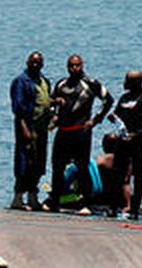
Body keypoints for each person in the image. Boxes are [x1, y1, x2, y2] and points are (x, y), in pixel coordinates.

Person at [44, 54, 113, 211]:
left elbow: (108, 100)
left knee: (82, 167)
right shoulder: (61, 84)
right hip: (63, 131)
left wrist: (96, 120)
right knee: (57, 166)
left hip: (81, 132)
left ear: (82, 66)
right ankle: (55, 200)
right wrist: (53, 114)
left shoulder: (90, 83)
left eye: (77, 65)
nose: (74, 68)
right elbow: (51, 101)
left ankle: (86, 203)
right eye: (71, 66)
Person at [109, 70, 142, 218]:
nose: (124, 83)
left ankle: (135, 209)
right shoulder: (124, 98)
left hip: (138, 142)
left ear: (137, 83)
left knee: (137, 174)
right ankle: (114, 207)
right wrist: (113, 117)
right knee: (117, 173)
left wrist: (137, 135)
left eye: (128, 81)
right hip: (123, 141)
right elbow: (117, 113)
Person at [8, 51, 50, 210]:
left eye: (38, 63)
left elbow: (44, 101)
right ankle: (18, 198)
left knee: (39, 162)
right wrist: (24, 129)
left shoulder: (44, 81)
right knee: (24, 163)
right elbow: (18, 109)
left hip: (42, 128)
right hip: (27, 126)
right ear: (27, 63)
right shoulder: (21, 81)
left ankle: (33, 197)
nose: (35, 65)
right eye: (33, 62)